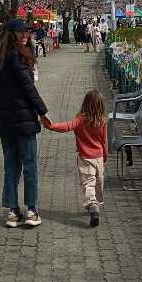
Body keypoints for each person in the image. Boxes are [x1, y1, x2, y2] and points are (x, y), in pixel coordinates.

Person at [0, 18, 48, 228]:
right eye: (21, 32)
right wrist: (43, 112)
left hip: (5, 120)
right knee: (30, 165)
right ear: (11, 34)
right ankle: (31, 209)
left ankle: (13, 211)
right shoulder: (17, 57)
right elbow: (28, 88)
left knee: (11, 165)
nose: (26, 35)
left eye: (28, 32)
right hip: (22, 120)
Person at [42, 89, 108, 227]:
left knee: (88, 183)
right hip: (99, 156)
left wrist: (50, 125)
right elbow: (104, 141)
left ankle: (92, 205)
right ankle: (97, 202)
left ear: (85, 103)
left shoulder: (81, 119)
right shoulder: (102, 120)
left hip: (85, 157)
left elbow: (66, 126)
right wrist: (105, 156)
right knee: (99, 181)